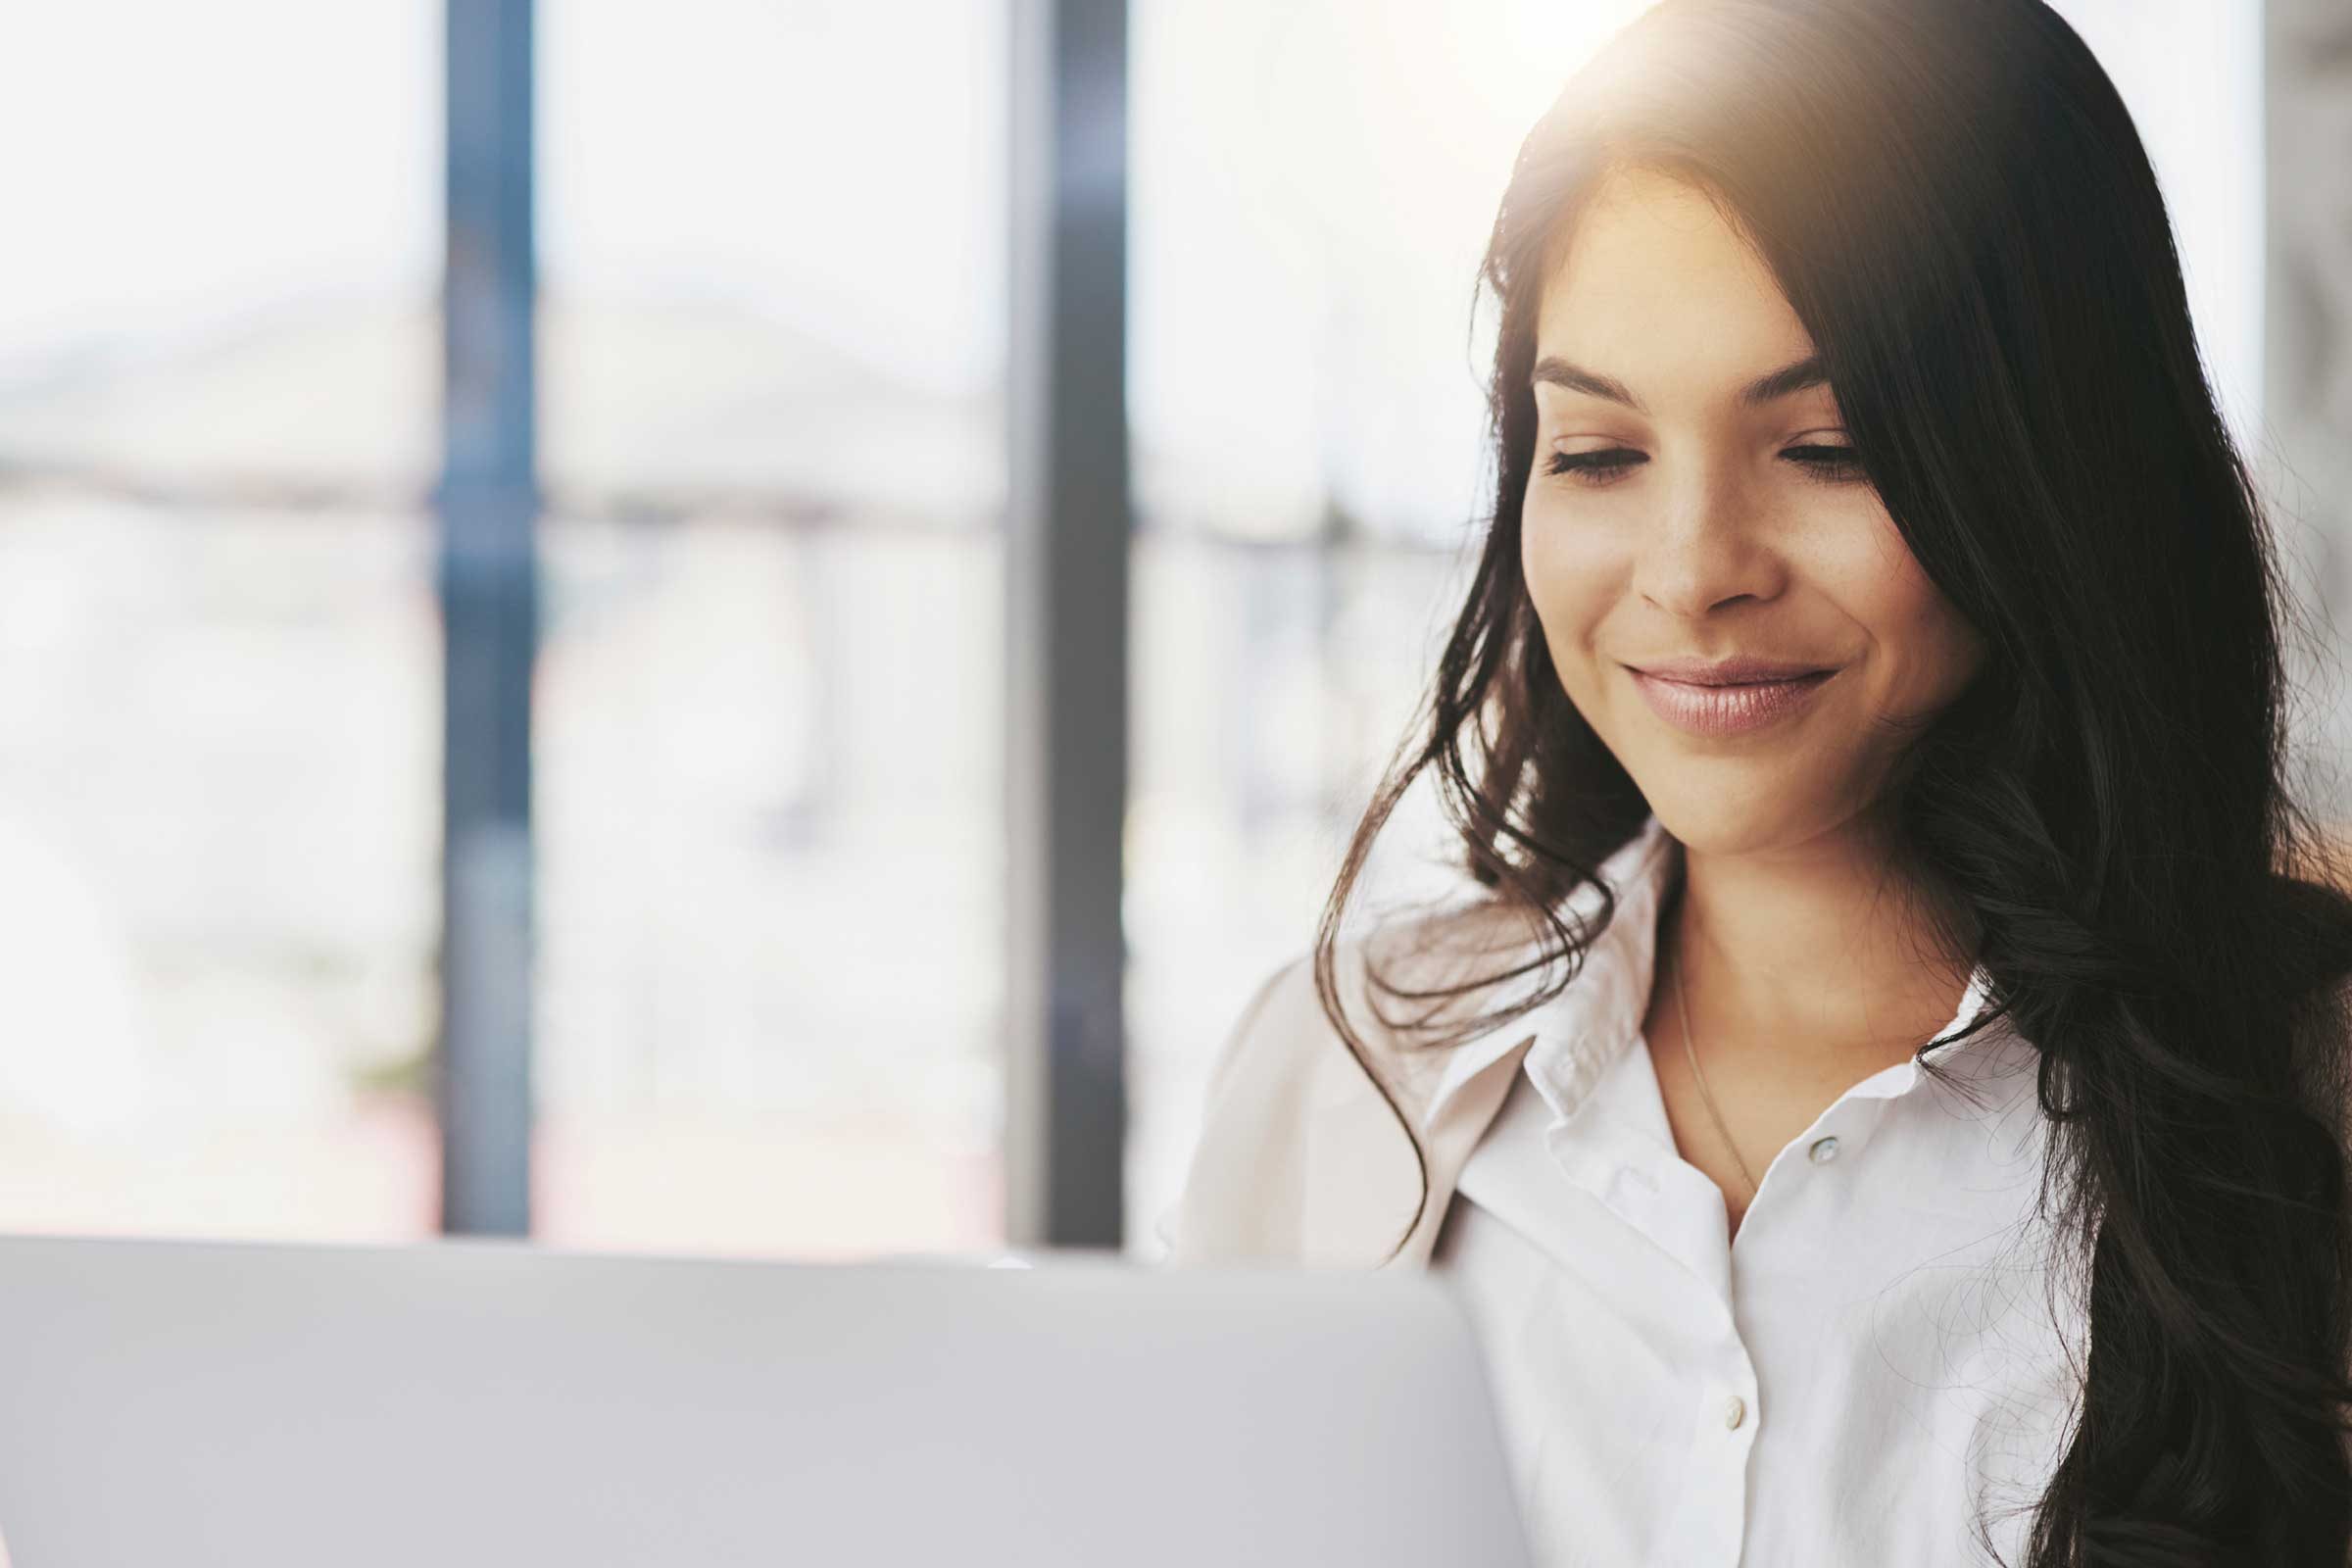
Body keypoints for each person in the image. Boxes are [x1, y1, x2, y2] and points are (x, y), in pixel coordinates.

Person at [1153, 0, 2352, 1563]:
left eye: (1831, 447)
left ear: (2048, 464)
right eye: (1596, 453)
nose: (1694, 570)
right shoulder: (1343, 1068)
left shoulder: (2307, 1102)